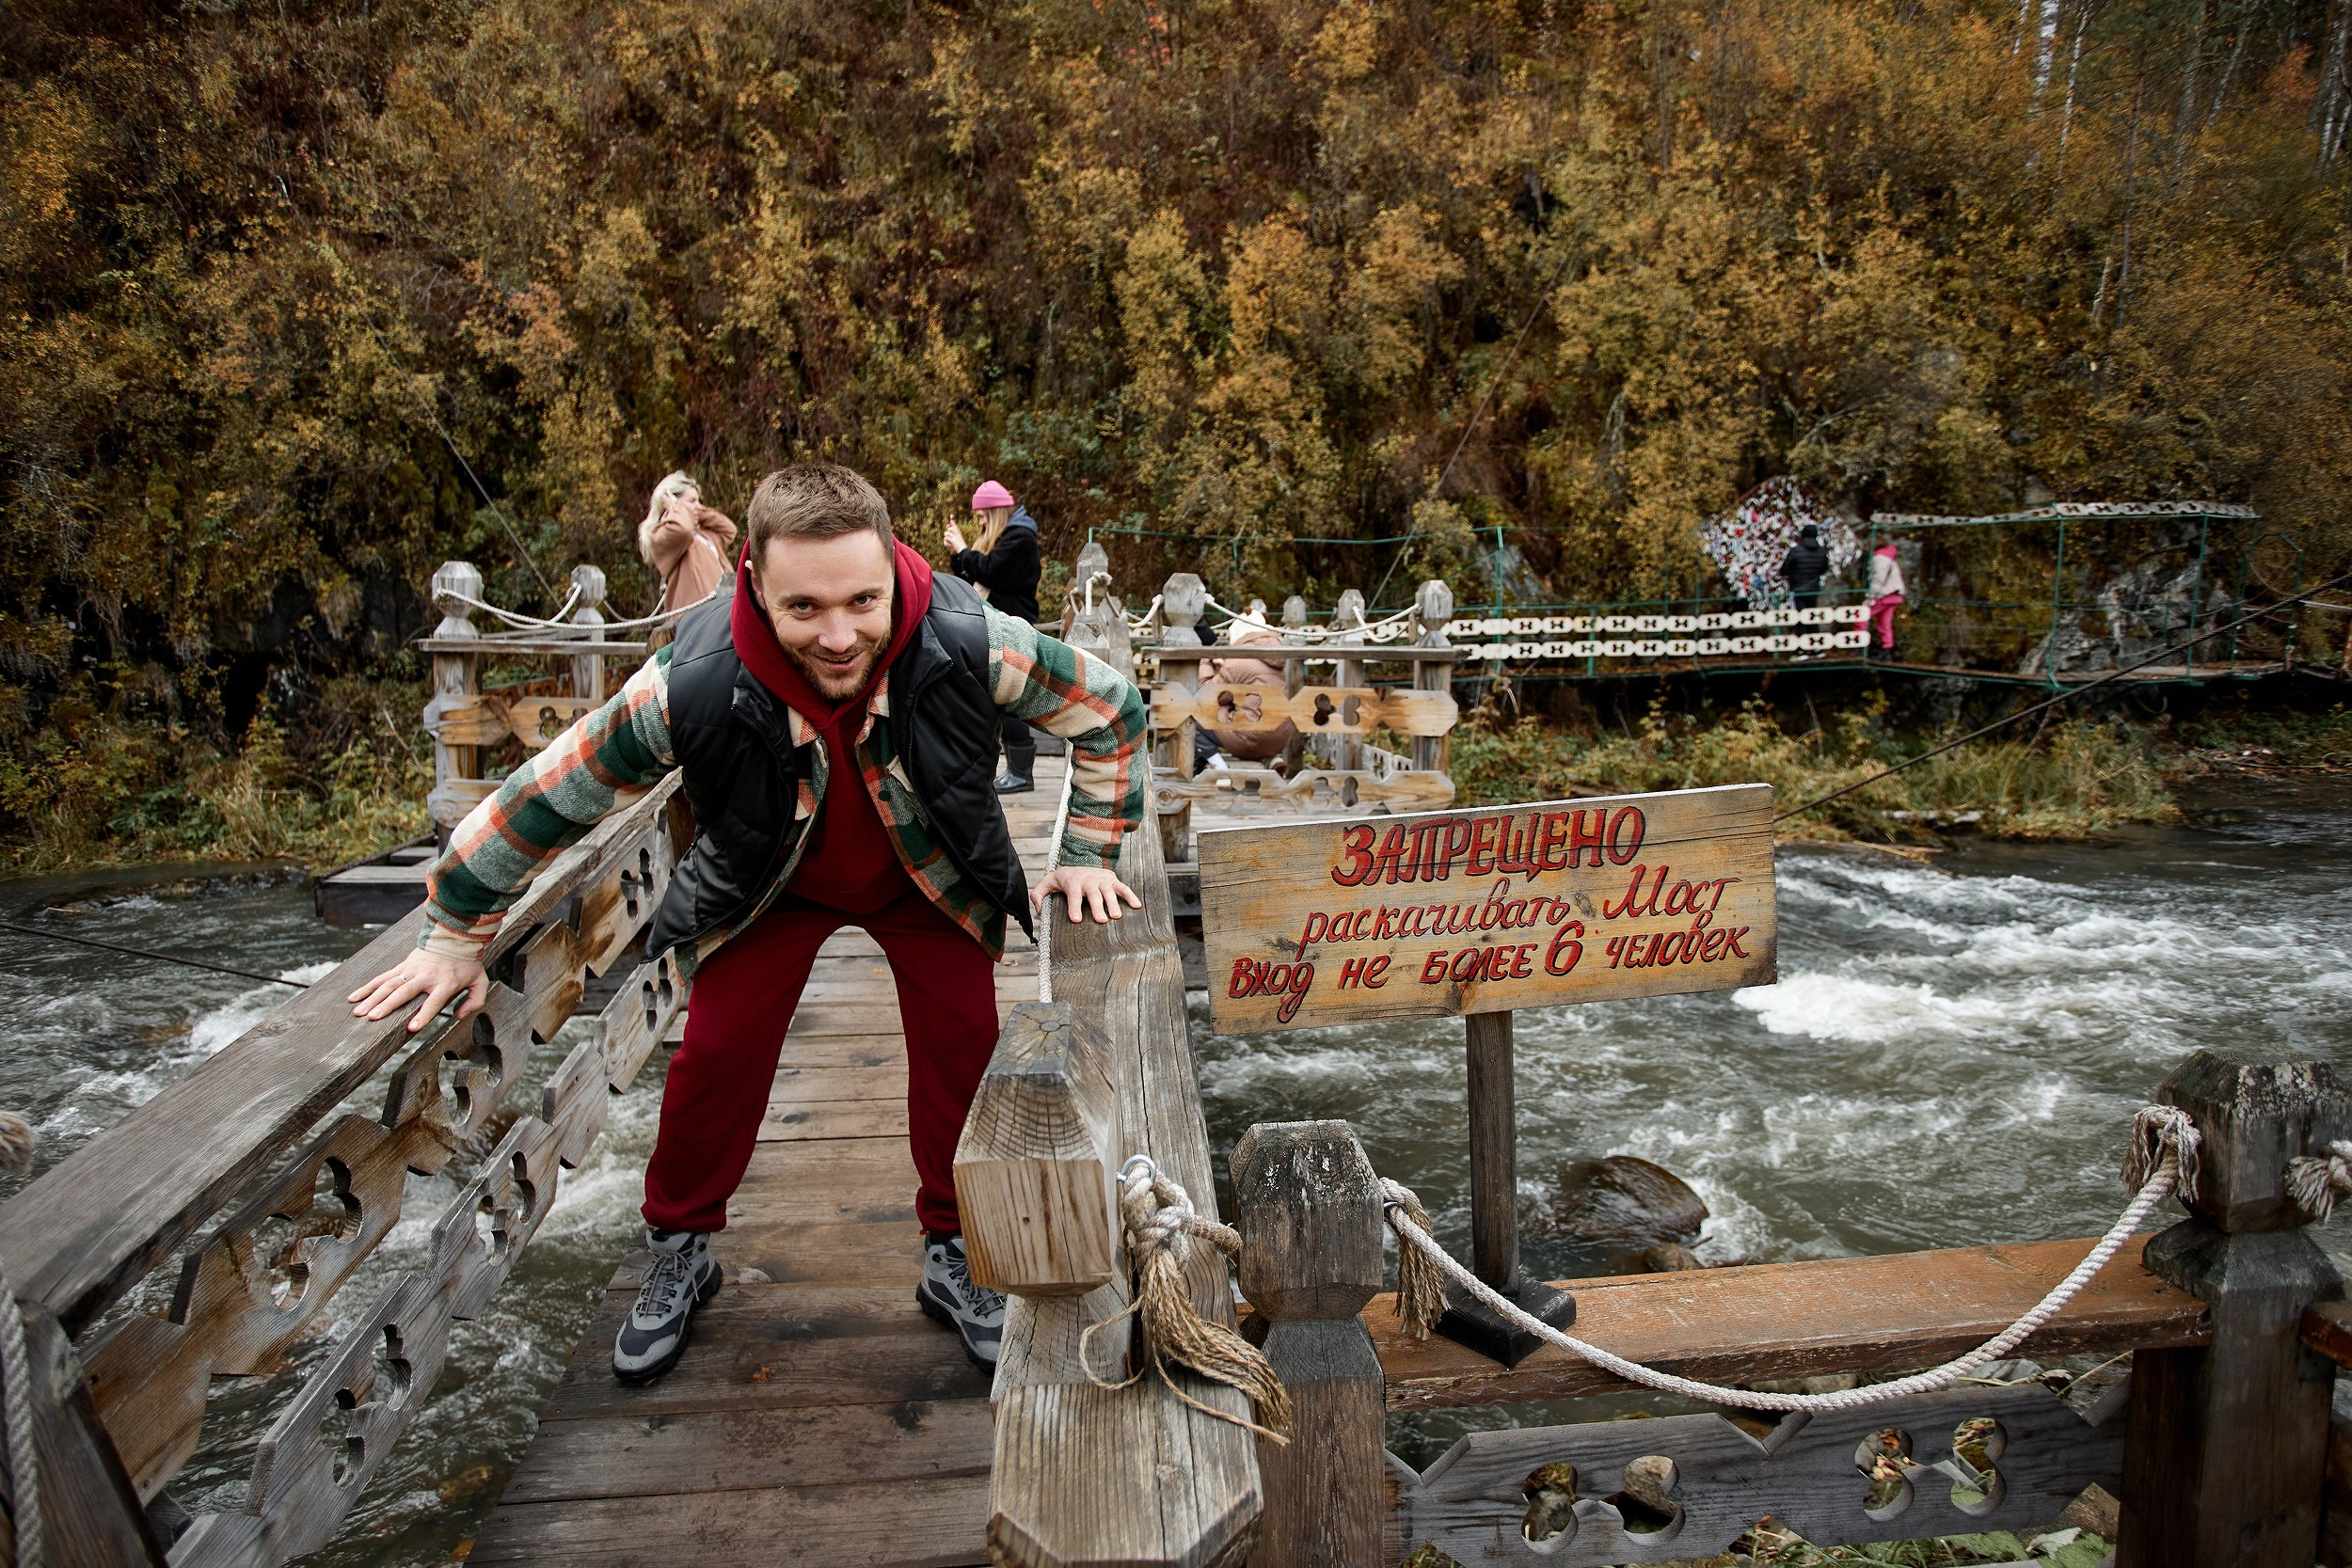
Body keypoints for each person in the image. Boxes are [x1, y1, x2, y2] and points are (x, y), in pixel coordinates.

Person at [348, 464, 1148, 1378]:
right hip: (771, 883)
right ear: (754, 582)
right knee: (714, 1055)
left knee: (965, 1041)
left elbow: (1110, 710)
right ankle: (681, 1248)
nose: (840, 634)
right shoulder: (688, 678)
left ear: (893, 568)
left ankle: (954, 1250)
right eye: (804, 607)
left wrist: (1087, 853)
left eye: (862, 600)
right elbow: (551, 794)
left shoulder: (970, 639)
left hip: (928, 877)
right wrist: (454, 926)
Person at [945, 480, 1044, 793]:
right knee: (987, 698)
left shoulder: (1020, 540)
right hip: (991, 626)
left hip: (1011, 627)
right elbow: (970, 574)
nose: (980, 522)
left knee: (1008, 699)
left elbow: (990, 572)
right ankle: (994, 767)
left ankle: (1021, 773)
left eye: (982, 515)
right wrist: (957, 554)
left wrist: (963, 550)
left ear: (995, 511)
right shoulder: (1003, 539)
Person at [638, 471, 739, 615]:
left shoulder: (703, 533)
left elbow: (729, 530)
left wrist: (698, 512)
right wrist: (675, 507)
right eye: (692, 501)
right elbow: (682, 530)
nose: (699, 506)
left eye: (699, 501)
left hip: (721, 611)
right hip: (694, 619)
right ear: (671, 501)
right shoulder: (661, 533)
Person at [1867, 542, 1905, 661]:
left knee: (1861, 616)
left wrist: (1870, 597)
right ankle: (1887, 650)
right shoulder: (1889, 557)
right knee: (1885, 623)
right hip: (1894, 595)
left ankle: (1859, 645)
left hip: (1884, 595)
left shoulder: (1880, 558)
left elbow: (1878, 580)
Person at [1779, 525, 1830, 610]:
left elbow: (1784, 570)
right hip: (1813, 589)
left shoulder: (1795, 551)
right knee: (1811, 614)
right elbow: (1824, 569)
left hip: (1798, 588)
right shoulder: (1822, 552)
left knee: (1799, 615)